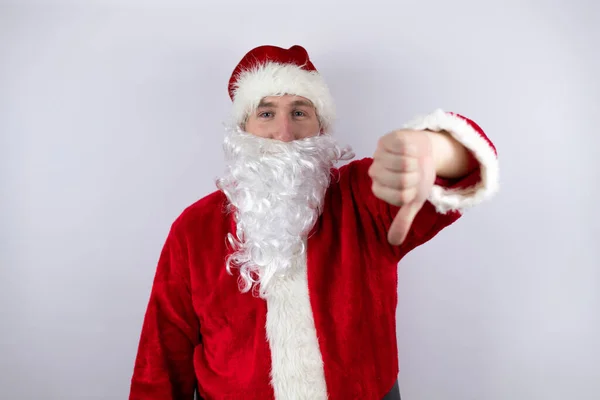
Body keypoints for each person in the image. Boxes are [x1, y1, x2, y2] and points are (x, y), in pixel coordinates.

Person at [128, 44, 499, 400]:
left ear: (321, 126)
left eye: (300, 112)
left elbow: (464, 170)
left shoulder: (363, 198)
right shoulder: (195, 228)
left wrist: (436, 152)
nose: (284, 134)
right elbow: (161, 358)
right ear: (243, 128)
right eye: (267, 113)